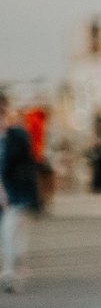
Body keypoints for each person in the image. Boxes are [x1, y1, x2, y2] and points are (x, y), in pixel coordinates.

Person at [0, 96, 39, 292]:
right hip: (6, 194)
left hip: (17, 194)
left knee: (12, 233)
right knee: (9, 235)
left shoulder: (17, 136)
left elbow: (27, 166)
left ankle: (11, 273)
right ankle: (13, 270)